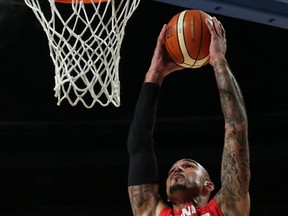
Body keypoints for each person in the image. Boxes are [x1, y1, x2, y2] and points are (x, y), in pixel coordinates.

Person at [127, 16, 250, 216]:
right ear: (166, 194)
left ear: (208, 186)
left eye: (188, 166)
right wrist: (155, 73)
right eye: (174, 169)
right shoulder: (150, 212)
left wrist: (218, 59)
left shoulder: (227, 208)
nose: (177, 169)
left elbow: (236, 128)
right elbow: (138, 143)